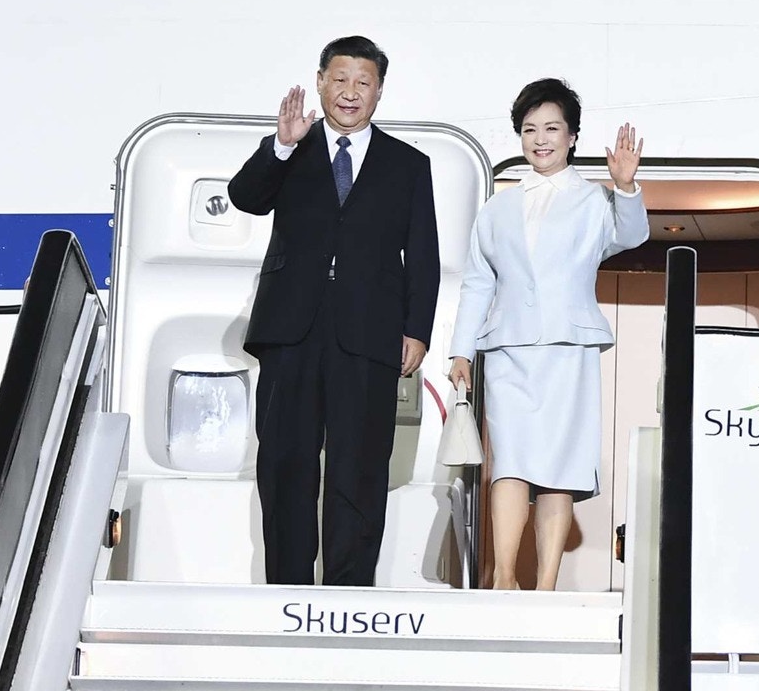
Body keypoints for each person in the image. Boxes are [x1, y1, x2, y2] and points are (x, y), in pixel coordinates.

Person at [228, 36, 440, 586]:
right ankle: (286, 591)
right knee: (286, 462)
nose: (350, 92)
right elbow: (246, 196)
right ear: (320, 81)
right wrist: (280, 145)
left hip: (369, 332)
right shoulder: (290, 146)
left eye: (363, 82)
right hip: (291, 329)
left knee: (360, 467)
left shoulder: (408, 164)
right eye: (340, 79)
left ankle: (350, 593)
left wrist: (417, 330)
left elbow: (423, 255)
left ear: (379, 91)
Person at [448, 78, 648, 590]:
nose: (540, 139)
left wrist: (626, 188)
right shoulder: (497, 209)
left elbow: (632, 235)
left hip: (568, 348)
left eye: (552, 128)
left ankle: (546, 585)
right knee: (509, 462)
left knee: (560, 466)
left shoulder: (595, 201)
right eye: (530, 129)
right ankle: (504, 578)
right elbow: (478, 282)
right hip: (508, 348)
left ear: (572, 136)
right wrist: (461, 351)